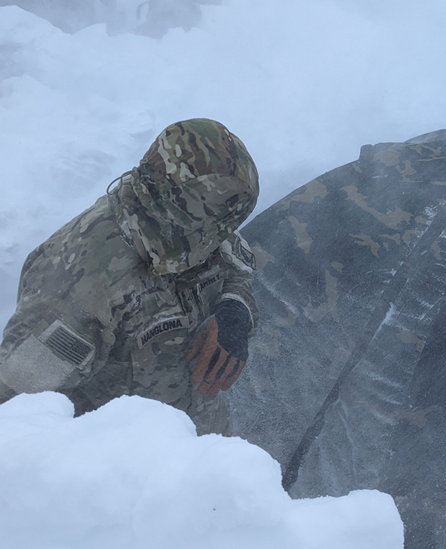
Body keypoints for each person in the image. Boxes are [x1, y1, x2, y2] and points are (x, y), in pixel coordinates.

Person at [0, 118, 259, 435]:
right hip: (125, 469)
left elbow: (236, 259)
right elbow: (12, 413)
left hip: (201, 446)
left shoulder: (197, 222)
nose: (224, 234)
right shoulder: (80, 289)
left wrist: (235, 308)